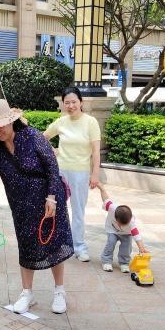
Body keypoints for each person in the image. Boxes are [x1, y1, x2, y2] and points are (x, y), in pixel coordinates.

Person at [0, 99, 73, 314]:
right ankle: (27, 293)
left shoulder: (33, 137)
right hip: (20, 205)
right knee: (26, 246)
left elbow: (52, 168)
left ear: (11, 121)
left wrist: (52, 198)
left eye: (1, 125)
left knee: (54, 245)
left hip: (48, 201)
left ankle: (59, 291)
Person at [43, 87, 101, 262]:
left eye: (74, 102)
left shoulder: (90, 122)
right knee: (56, 209)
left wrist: (95, 174)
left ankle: (79, 247)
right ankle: (57, 244)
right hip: (60, 172)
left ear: (81, 102)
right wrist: (53, 151)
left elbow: (96, 152)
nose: (70, 106)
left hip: (80, 173)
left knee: (78, 211)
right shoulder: (61, 122)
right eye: (66, 102)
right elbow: (42, 138)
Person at [95, 182, 147, 272]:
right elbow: (106, 199)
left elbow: (137, 236)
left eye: (125, 224)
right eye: (121, 224)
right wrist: (101, 188)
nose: (122, 226)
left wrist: (141, 248)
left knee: (126, 247)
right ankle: (106, 261)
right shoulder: (112, 208)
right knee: (111, 243)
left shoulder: (131, 222)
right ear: (116, 218)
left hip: (126, 234)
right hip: (112, 230)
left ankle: (124, 263)